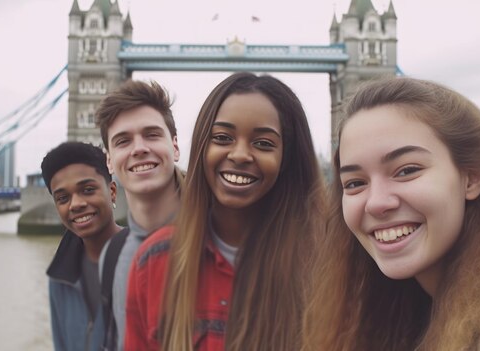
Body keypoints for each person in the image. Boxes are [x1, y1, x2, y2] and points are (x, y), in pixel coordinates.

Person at [301, 77, 480, 350]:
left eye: (407, 170)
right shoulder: (378, 314)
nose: (376, 203)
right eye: (355, 183)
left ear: (471, 179)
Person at [124, 72, 326, 351]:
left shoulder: (328, 265)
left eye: (264, 143)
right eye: (222, 137)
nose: (240, 154)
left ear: (288, 159)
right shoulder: (153, 260)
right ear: (201, 148)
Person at [95, 79, 183, 350]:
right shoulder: (111, 256)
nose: (139, 148)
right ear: (109, 160)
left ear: (175, 147)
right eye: (123, 141)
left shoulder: (224, 236)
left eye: (152, 134)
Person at [42, 141, 125, 351]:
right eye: (63, 198)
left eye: (87, 190)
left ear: (112, 191)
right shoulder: (59, 276)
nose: (75, 204)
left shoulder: (149, 257)